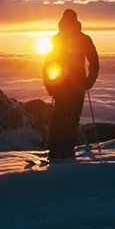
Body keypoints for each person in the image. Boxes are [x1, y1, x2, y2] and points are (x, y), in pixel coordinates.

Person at [42, 9, 99, 160]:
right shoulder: (83, 39)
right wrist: (89, 81)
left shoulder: (57, 39)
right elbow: (94, 62)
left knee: (59, 116)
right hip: (77, 84)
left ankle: (55, 150)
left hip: (61, 85)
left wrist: (50, 85)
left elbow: (47, 64)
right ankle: (67, 149)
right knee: (72, 117)